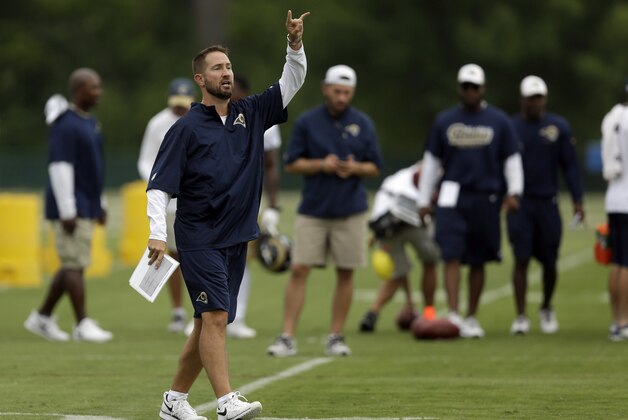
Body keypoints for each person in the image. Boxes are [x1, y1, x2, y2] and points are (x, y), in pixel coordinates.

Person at [146, 10, 309, 420]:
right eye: (217, 68)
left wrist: (294, 45)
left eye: (229, 66)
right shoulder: (184, 128)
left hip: (238, 236)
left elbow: (291, 83)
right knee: (217, 317)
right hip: (199, 236)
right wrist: (157, 234)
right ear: (200, 79)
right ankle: (226, 402)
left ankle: (174, 401)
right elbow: (159, 187)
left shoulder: (250, 113)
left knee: (206, 323)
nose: (226, 73)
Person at [266, 64, 383, 357]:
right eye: (337, 91)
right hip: (314, 210)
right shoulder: (308, 122)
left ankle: (335, 336)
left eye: (346, 92)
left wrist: (354, 168)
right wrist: (323, 165)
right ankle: (287, 336)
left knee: (346, 273)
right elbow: (292, 163)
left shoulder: (363, 123)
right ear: (325, 89)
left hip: (351, 210)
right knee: (299, 269)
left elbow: (374, 167)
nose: (341, 97)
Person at [417, 63, 523, 338]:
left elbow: (511, 159)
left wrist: (515, 192)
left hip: (486, 195)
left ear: (482, 88)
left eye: (474, 87)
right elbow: (431, 162)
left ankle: (472, 316)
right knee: (451, 254)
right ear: (459, 88)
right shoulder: (444, 120)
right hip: (452, 195)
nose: (469, 91)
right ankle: (453, 313)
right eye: (465, 86)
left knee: (478, 258)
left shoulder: (499, 121)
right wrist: (423, 200)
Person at [24, 68, 113, 343]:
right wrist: (67, 210)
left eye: (99, 86)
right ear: (78, 90)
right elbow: (60, 167)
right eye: (93, 87)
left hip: (87, 203)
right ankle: (82, 323)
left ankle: (42, 318)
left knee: (73, 264)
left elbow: (93, 168)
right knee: (74, 264)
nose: (98, 92)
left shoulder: (90, 122)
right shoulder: (66, 124)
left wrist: (101, 202)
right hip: (71, 207)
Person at [507, 76, 585, 335]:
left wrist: (577, 199)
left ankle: (546, 306)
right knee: (521, 258)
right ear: (523, 99)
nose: (535, 102)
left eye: (539, 97)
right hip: (520, 202)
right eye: (531, 98)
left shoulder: (557, 127)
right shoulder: (510, 127)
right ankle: (520, 315)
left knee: (550, 261)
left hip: (547, 202)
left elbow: (570, 166)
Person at [224, 74, 283, 339]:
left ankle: (237, 316)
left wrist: (273, 206)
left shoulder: (260, 115)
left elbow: (271, 164)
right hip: (212, 200)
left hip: (247, 200)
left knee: (241, 258)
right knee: (206, 257)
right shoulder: (209, 114)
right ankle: (202, 314)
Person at [137, 78, 196, 333]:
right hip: (168, 203)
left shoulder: (200, 120)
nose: (180, 110)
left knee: (193, 255)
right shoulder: (157, 123)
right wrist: (160, 186)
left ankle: (200, 310)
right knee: (172, 255)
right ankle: (177, 311)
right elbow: (146, 161)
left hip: (194, 200)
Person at [359, 162, 440, 332]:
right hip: (410, 216)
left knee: (398, 272)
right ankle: (429, 314)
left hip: (385, 220)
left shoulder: (399, 176)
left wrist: (375, 235)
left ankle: (373, 312)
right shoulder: (430, 168)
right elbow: (422, 180)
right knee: (429, 263)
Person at [601, 77, 628, 341]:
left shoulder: (616, 115)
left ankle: (616, 320)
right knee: (626, 264)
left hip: (615, 197)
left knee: (618, 262)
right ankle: (624, 322)